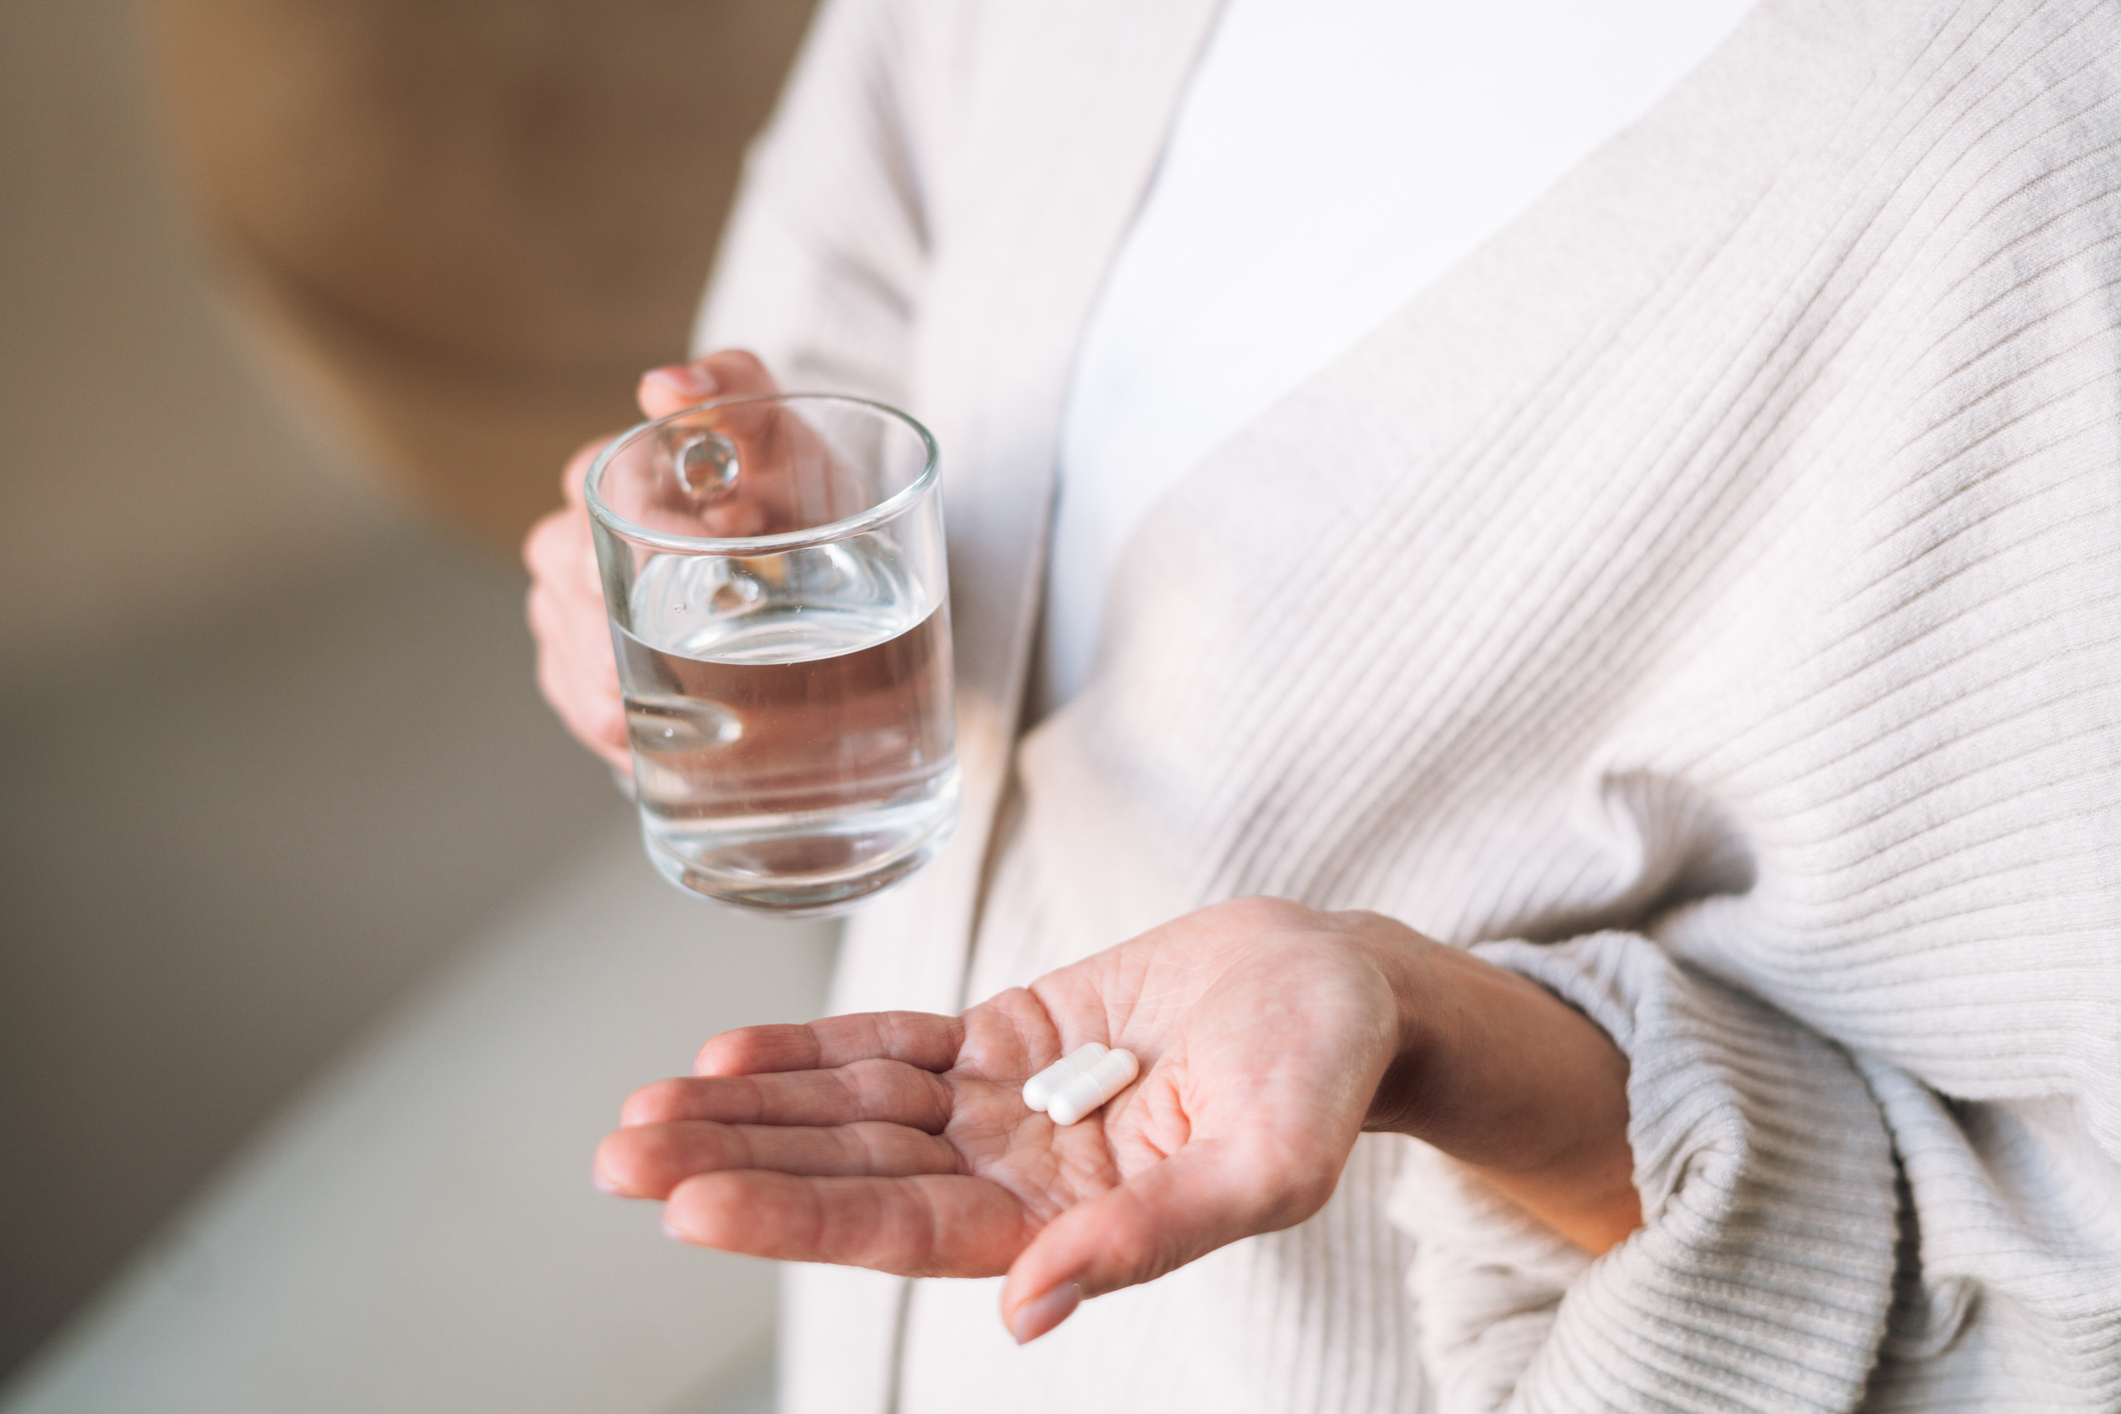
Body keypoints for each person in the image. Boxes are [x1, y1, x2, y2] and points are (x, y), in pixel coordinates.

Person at [525, 1, 2121, 1410]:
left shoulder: (2027, 165)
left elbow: (2070, 1289)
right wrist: (731, 601)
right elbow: (808, 380)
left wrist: (1446, 1039)